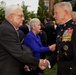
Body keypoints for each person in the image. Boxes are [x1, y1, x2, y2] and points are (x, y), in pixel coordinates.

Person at [0, 5, 49, 75]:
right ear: (11, 16)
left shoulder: (9, 28)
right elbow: (18, 53)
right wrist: (38, 62)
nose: (23, 19)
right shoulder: (7, 30)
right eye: (20, 16)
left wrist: (24, 64)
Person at [48, 2, 76, 75]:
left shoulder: (74, 29)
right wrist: (48, 62)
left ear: (65, 12)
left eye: (56, 13)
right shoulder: (62, 30)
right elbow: (58, 51)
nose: (54, 16)